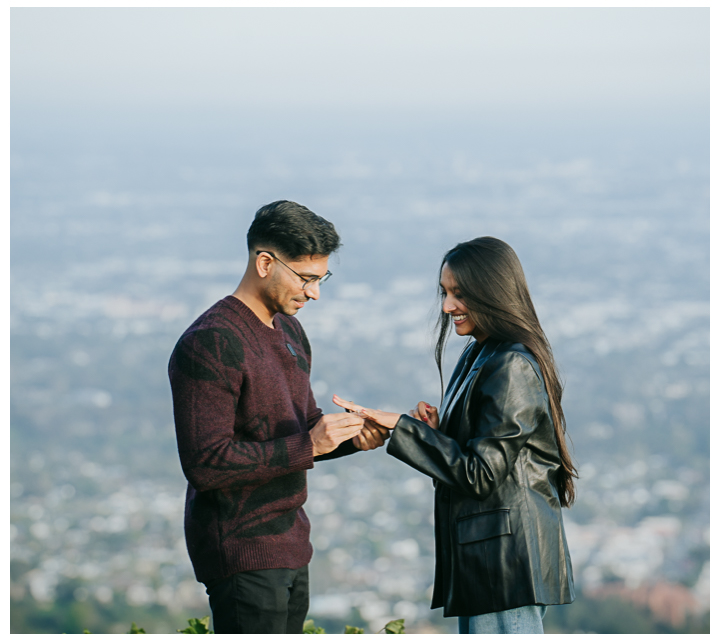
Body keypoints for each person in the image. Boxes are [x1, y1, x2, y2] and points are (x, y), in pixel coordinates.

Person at [333, 237, 576, 634]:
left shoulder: (511, 363)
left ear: (492, 292)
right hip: (487, 562)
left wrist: (403, 428)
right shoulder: (480, 353)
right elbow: (477, 457)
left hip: (505, 564)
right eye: (445, 293)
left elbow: (480, 475)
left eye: (459, 294)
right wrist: (436, 433)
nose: (447, 307)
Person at [168, 200, 388, 634]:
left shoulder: (289, 331)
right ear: (265, 262)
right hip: (240, 550)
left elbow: (300, 432)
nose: (314, 292)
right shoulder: (210, 342)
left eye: (321, 279)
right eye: (306, 278)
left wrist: (351, 438)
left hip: (291, 543)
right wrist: (310, 444)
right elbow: (205, 464)